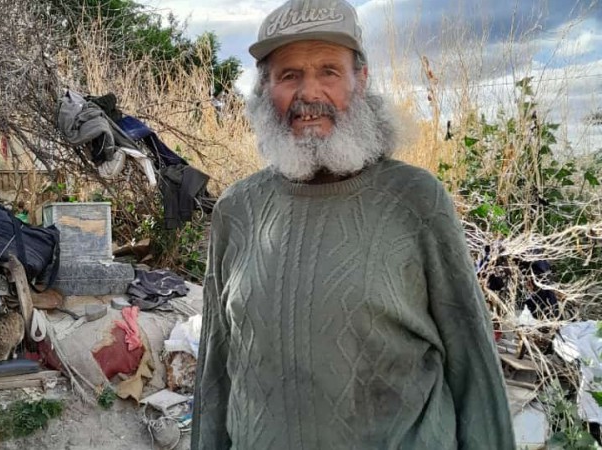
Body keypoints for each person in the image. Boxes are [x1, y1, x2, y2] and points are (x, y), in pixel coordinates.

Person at [190, 0, 515, 448]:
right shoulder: (237, 209)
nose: (309, 94)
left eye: (328, 71)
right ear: (266, 90)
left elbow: (473, 364)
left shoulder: (416, 199)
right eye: (289, 76)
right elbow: (215, 368)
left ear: (360, 81)